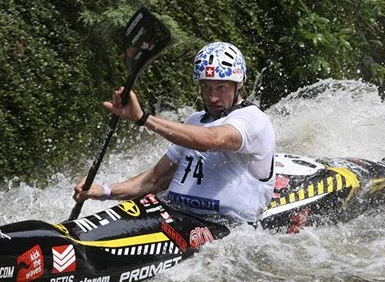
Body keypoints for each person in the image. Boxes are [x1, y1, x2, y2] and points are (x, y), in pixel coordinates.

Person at [74, 42, 275, 224]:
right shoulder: (194, 121)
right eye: (206, 87)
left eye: (221, 87)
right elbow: (155, 180)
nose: (212, 97)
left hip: (226, 224)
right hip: (175, 215)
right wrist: (104, 191)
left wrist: (144, 118)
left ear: (239, 84)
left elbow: (211, 140)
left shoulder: (252, 120)